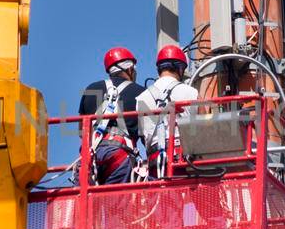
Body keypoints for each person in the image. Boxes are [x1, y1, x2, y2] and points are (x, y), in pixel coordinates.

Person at [80, 46, 143, 184]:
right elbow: (149, 134)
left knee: (89, 202)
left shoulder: (91, 89)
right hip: (119, 154)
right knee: (116, 204)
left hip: (91, 156)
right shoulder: (141, 93)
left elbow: (82, 131)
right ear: (130, 69)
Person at [137, 44, 199, 177]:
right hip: (186, 161)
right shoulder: (192, 92)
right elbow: (205, 125)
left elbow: (143, 136)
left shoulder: (141, 98)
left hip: (156, 163)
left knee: (162, 197)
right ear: (180, 68)